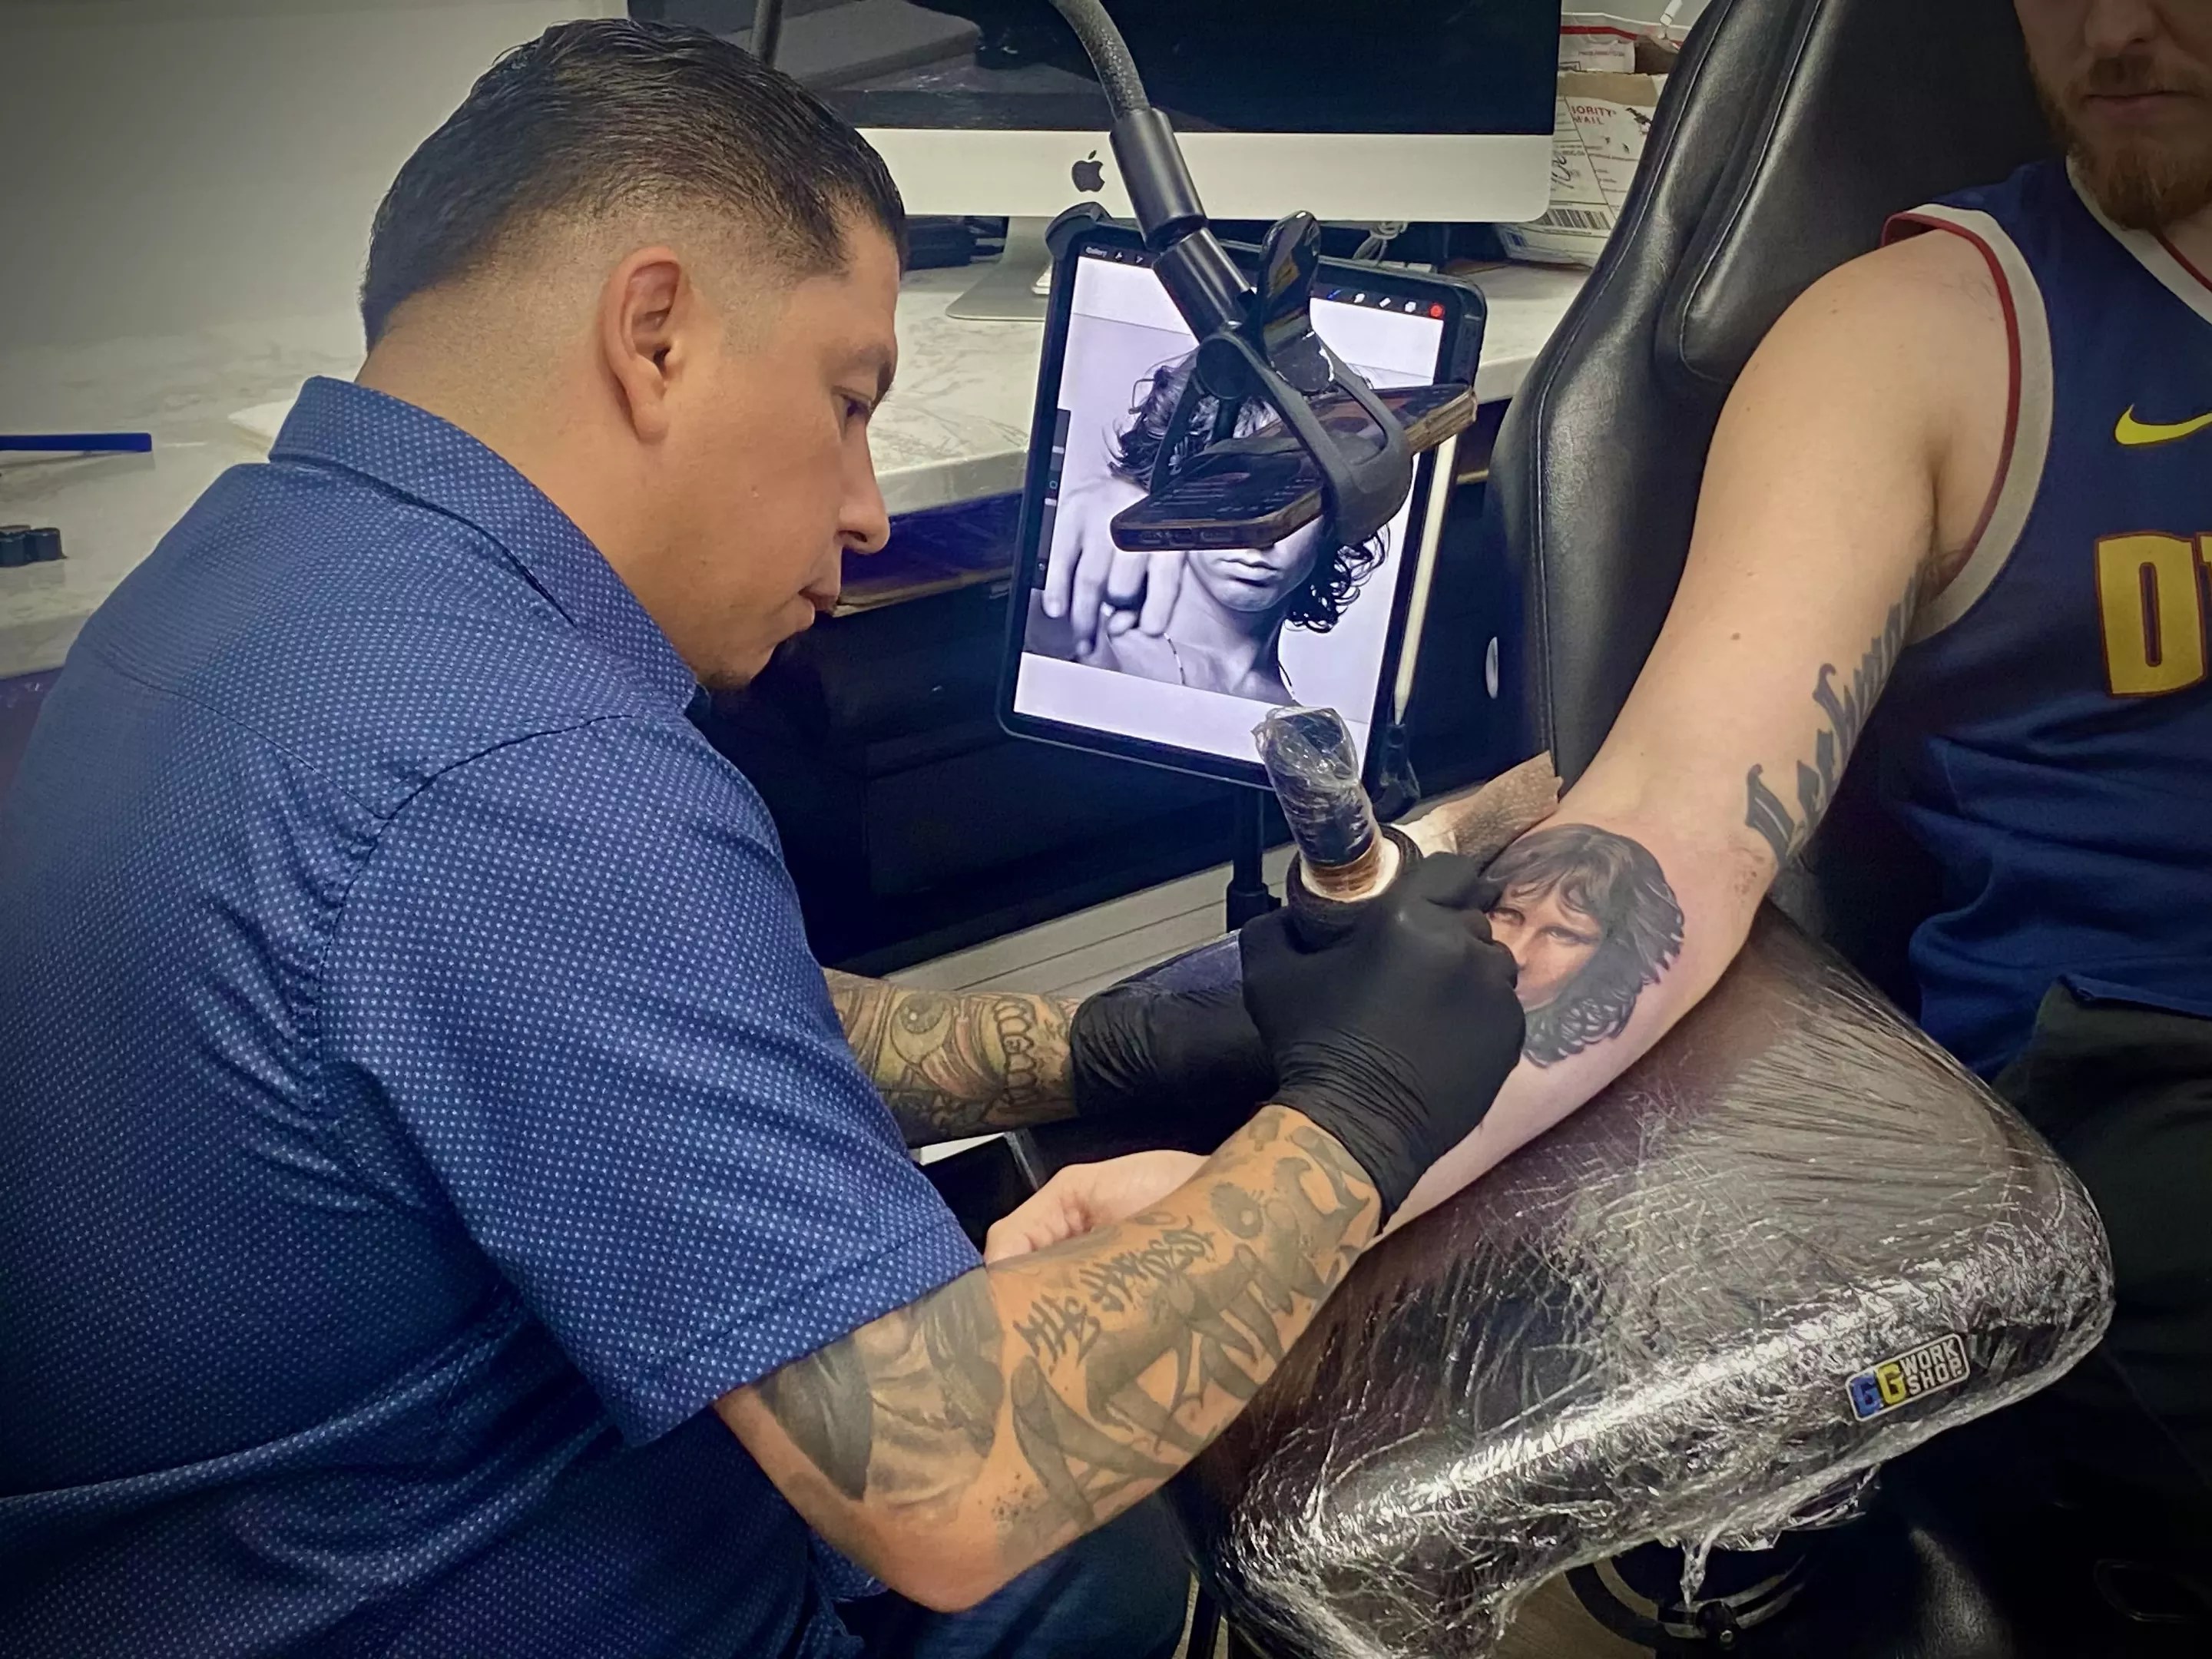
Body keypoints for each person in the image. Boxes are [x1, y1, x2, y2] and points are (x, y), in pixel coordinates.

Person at [0, 21, 1530, 1657]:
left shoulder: (256, 573)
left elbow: (700, 1022)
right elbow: (948, 1482)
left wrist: (1122, 1039)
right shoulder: (530, 771)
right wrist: (1359, 1119)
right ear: (654, 333)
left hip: (207, 1560)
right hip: (460, 1597)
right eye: (847, 399)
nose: (870, 511)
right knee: (1113, 1563)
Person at [1006, 0, 2212, 1586]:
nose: (2109, 25)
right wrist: (1267, 1216)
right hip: (2153, 1102)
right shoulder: (1930, 337)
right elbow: (1667, 833)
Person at [1038, 353, 1387, 704]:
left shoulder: (1311, 742)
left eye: (1291, 501)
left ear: (1337, 519)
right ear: (1169, 494)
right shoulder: (1091, 651)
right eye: (1227, 492)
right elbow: (1035, 625)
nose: (1258, 537)